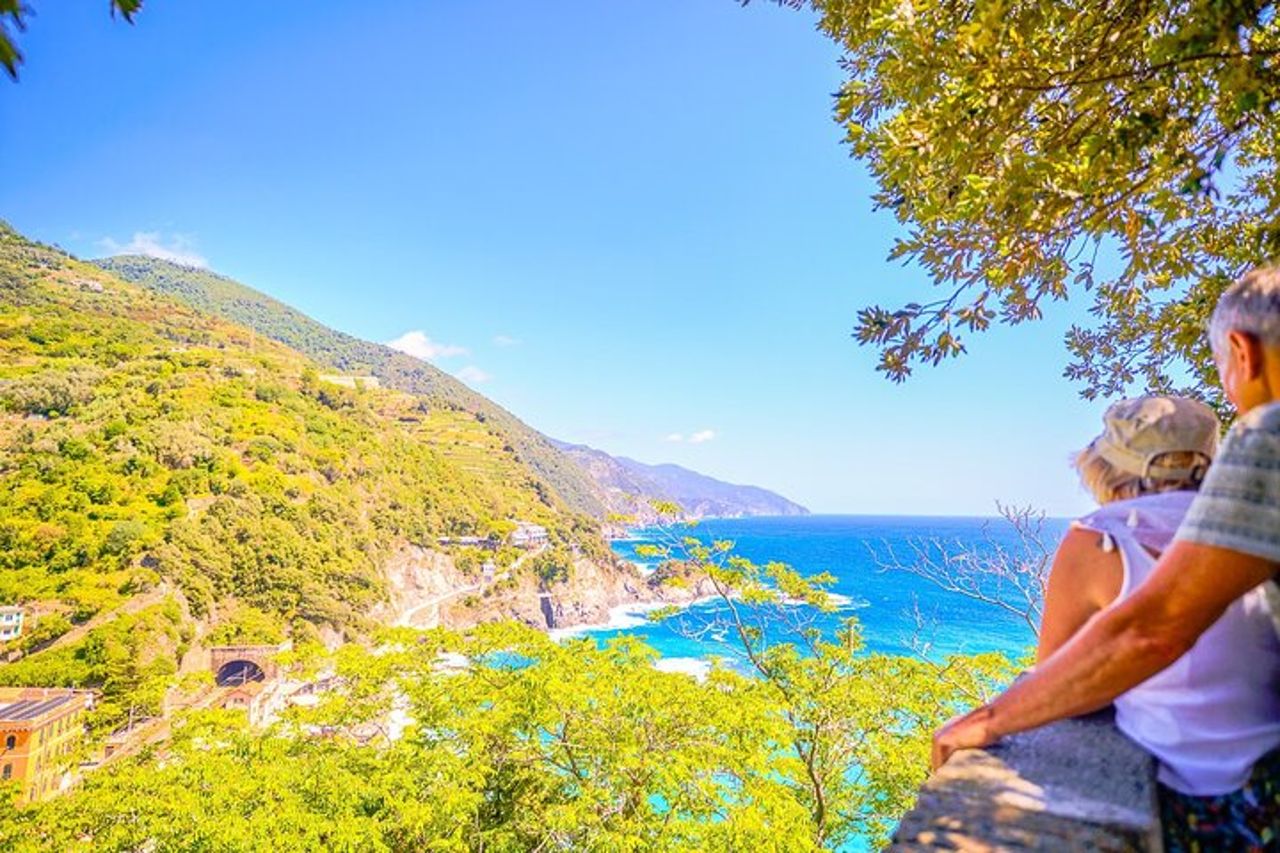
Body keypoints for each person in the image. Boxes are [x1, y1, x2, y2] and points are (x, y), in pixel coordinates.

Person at [932, 266, 1280, 823]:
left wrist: (989, 719)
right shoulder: (1247, 526)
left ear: (1243, 351)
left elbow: (1101, 657)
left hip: (1214, 794)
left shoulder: (1100, 537)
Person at [1037, 396, 1280, 846]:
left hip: (1192, 796)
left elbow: (1059, 684)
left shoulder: (1099, 540)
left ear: (1107, 468)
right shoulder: (1259, 528)